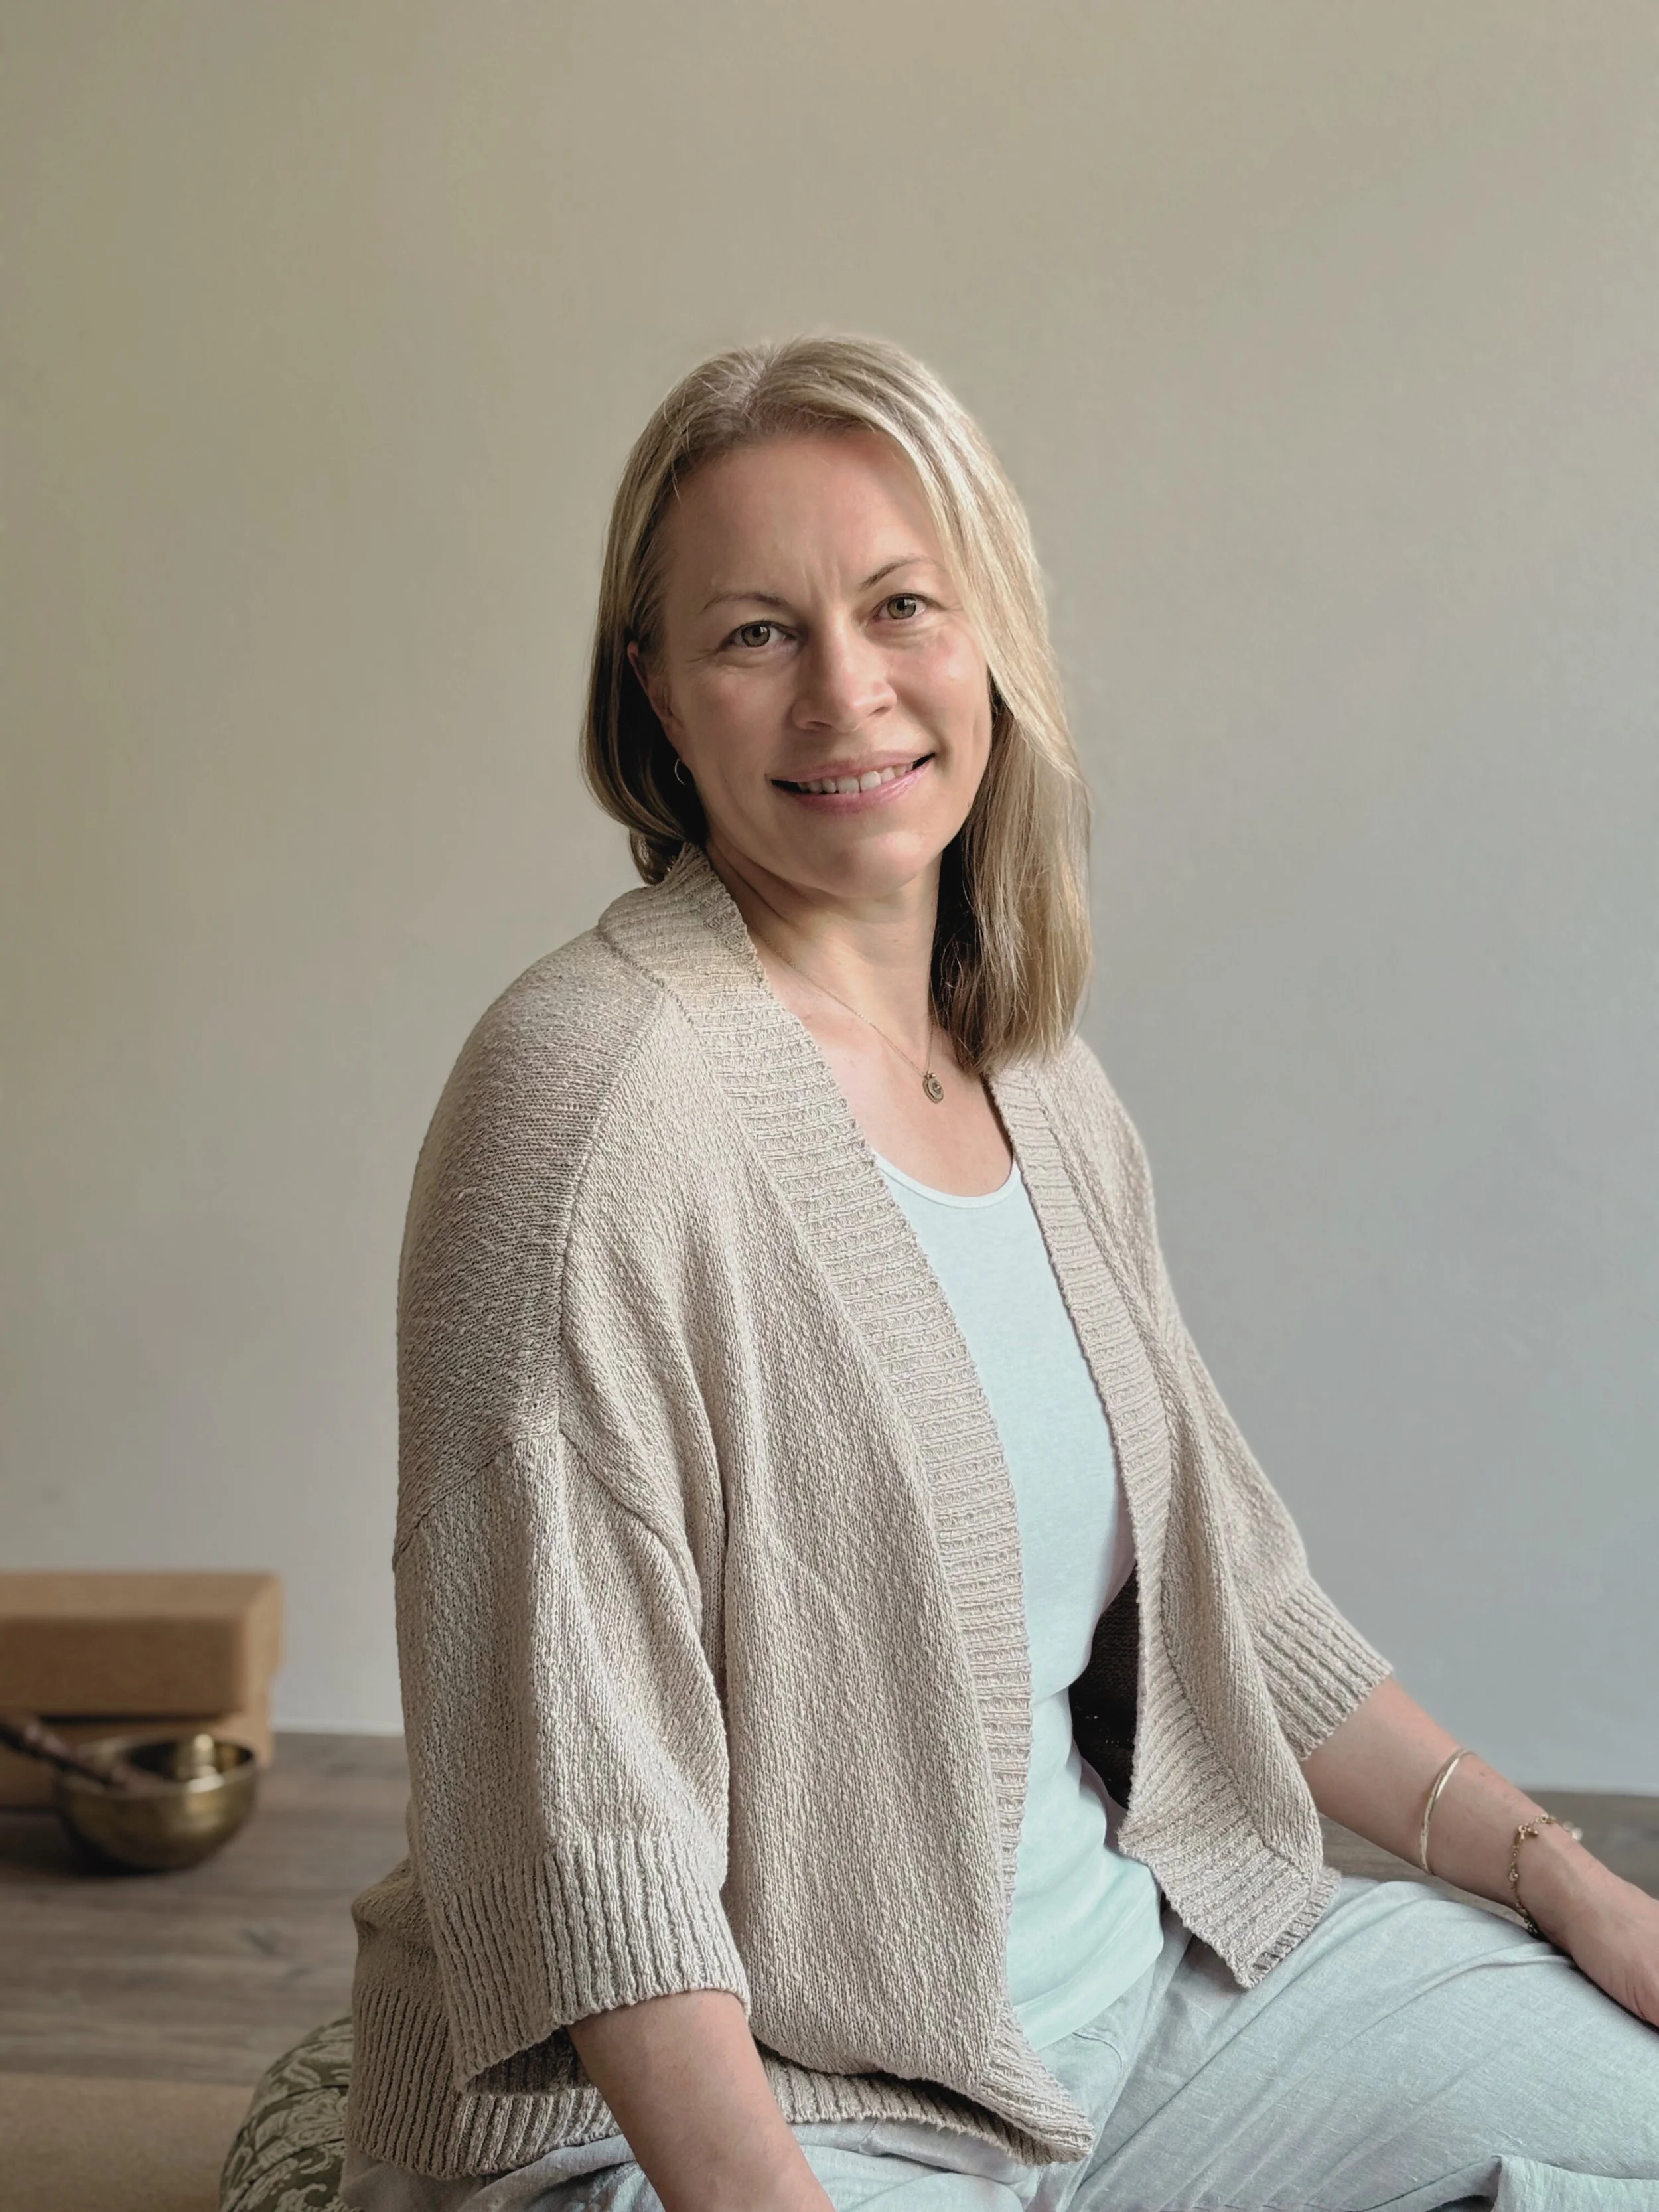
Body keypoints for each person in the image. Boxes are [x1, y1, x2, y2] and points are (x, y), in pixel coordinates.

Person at [342, 336, 1659, 2212]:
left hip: (1138, 2030)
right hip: (750, 2113)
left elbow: (1240, 1609)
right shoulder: (589, 1090)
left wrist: (1559, 1874)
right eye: (751, 632)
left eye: (899, 606)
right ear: (653, 692)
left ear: (989, 637)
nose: (846, 691)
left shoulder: (1037, 1075)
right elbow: (576, 1827)